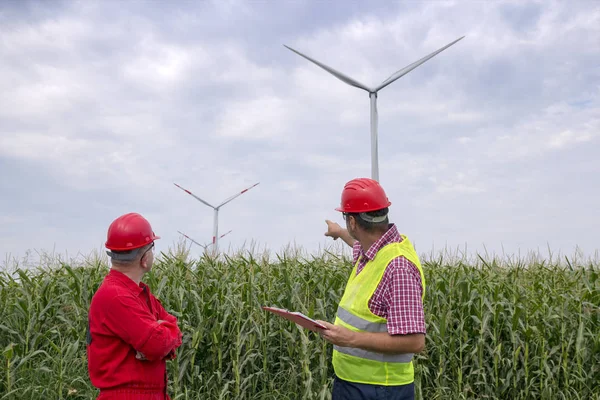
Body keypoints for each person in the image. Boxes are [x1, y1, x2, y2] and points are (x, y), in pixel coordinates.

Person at [317, 178, 426, 400]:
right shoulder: (371, 251)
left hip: (381, 389)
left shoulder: (398, 267)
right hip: (353, 383)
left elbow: (415, 341)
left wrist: (349, 338)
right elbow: (356, 242)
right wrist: (338, 231)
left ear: (354, 222)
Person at [87, 212, 182, 399]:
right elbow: (156, 344)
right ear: (144, 258)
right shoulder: (117, 296)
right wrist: (161, 338)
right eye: (152, 247)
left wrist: (165, 334)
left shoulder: (138, 294)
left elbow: (171, 328)